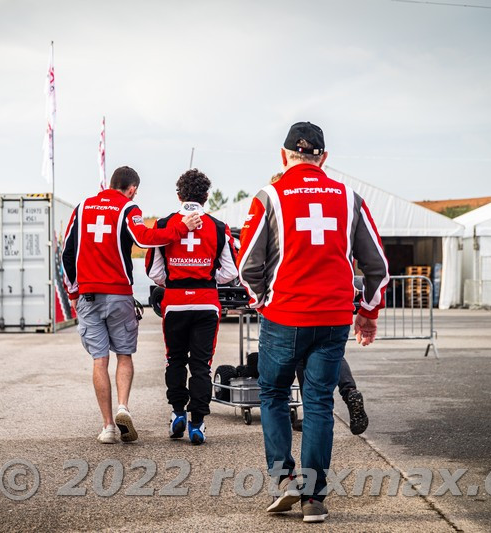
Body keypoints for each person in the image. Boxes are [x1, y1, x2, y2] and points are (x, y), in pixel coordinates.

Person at [237, 122, 389, 522]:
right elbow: (379, 267)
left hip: (284, 315)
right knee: (319, 401)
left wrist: (261, 301)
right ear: (323, 158)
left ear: (284, 155)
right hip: (333, 317)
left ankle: (284, 480)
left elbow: (247, 265)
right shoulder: (348, 198)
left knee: (272, 394)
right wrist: (368, 314)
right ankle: (314, 498)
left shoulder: (269, 196)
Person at [62, 166, 202, 444]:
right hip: (118, 295)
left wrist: (73, 292)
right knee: (123, 355)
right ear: (132, 189)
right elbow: (144, 239)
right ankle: (123, 408)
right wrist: (180, 227)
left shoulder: (82, 208)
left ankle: (107, 427)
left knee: (99, 360)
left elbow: (66, 251)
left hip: (88, 295)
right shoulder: (128, 208)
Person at [270, 173, 369, 436]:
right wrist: (370, 309)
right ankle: (349, 391)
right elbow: (370, 257)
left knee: (300, 359)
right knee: (332, 353)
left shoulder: (283, 213)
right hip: (336, 299)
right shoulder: (339, 209)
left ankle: (310, 413)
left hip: (296, 303)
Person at [145, 169, 238, 445]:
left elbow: (153, 271)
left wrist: (175, 280)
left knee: (175, 360)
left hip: (175, 304)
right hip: (206, 304)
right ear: (207, 196)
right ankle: (197, 424)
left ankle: (177, 414)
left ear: (178, 195)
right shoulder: (219, 227)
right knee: (201, 366)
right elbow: (230, 271)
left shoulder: (164, 225)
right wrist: (207, 278)